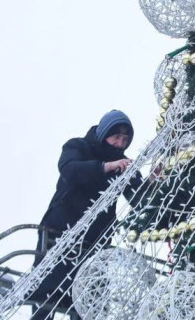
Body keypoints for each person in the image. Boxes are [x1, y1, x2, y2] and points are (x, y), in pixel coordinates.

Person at [30, 110, 142, 319]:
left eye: (125, 139)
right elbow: (69, 170)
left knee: (89, 305)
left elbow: (140, 200)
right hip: (59, 235)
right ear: (103, 134)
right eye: (116, 137)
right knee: (45, 297)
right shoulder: (77, 146)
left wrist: (154, 182)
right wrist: (106, 167)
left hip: (95, 244)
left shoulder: (125, 166)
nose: (120, 144)